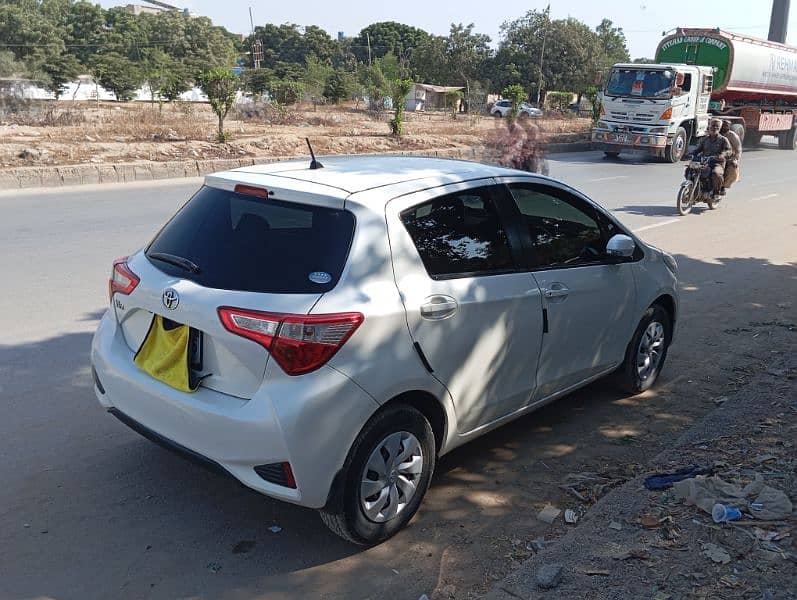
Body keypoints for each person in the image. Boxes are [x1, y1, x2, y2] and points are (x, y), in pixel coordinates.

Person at [693, 118, 732, 199]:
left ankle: (716, 192)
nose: (714, 128)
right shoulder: (705, 139)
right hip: (705, 162)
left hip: (717, 163)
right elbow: (698, 149)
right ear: (709, 126)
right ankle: (695, 187)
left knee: (716, 173)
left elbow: (729, 150)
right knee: (691, 170)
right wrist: (690, 154)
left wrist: (722, 155)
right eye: (713, 126)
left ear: (720, 128)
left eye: (717, 126)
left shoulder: (723, 140)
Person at [720, 120, 742, 194]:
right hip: (715, 155)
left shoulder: (732, 136)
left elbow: (738, 149)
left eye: (727, 126)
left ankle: (723, 186)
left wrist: (736, 159)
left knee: (731, 168)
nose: (725, 127)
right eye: (723, 125)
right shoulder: (716, 134)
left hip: (728, 157)